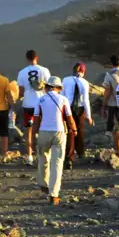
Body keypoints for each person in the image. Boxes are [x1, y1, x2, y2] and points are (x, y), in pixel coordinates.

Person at [35, 76, 77, 205]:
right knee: (57, 163)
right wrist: (74, 129)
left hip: (43, 131)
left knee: (43, 159)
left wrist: (34, 135)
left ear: (47, 87)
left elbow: (36, 119)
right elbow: (69, 118)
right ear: (58, 88)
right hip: (59, 132)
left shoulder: (40, 100)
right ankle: (54, 195)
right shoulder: (63, 99)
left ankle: (43, 183)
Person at [16, 50, 51, 166]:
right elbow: (48, 88)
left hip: (28, 105)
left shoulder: (22, 72)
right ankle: (42, 156)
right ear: (37, 57)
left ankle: (30, 157)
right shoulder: (44, 70)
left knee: (29, 131)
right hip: (42, 104)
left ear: (27, 59)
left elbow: (20, 91)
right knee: (42, 130)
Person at [62, 62, 94, 168]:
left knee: (70, 131)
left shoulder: (65, 80)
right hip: (80, 109)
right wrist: (89, 116)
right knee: (79, 130)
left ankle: (69, 157)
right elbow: (86, 100)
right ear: (83, 72)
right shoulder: (84, 82)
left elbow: (62, 96)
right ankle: (81, 153)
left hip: (68, 108)